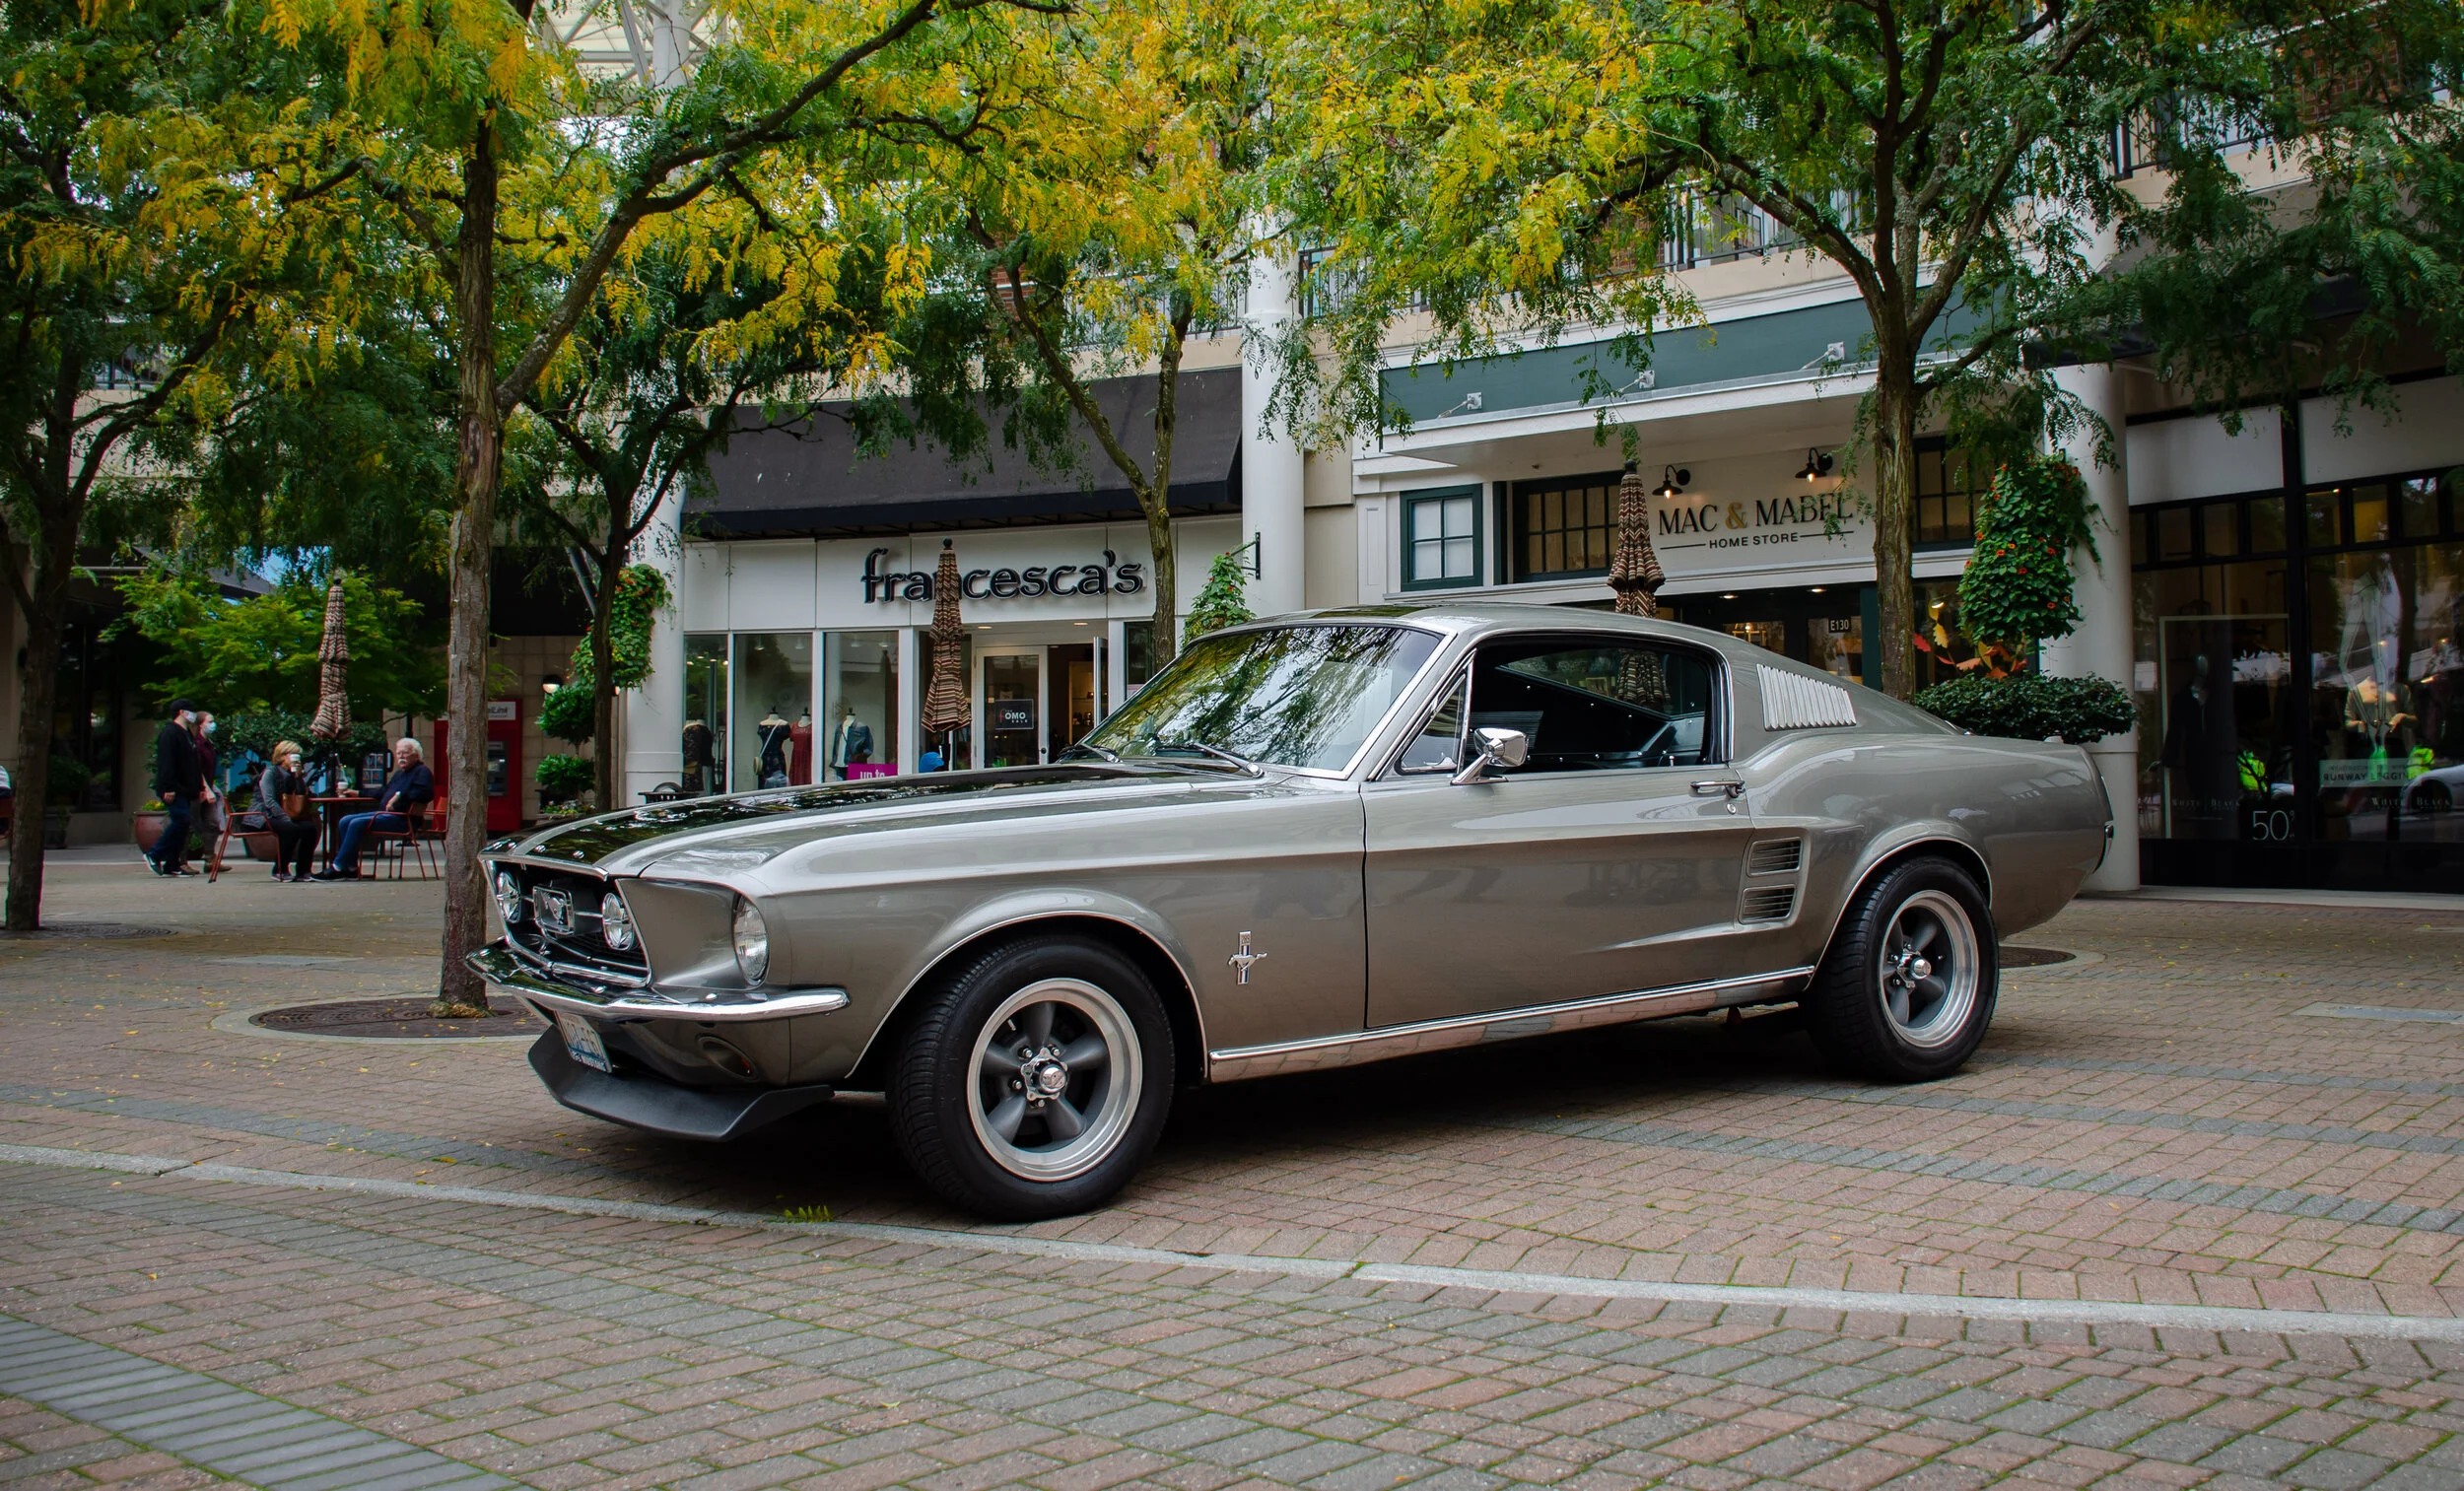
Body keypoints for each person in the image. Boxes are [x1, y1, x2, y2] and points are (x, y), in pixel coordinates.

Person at [312, 737, 433, 881]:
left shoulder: (422, 772)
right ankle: (351, 869)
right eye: (398, 753)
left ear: (416, 755)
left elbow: (425, 793)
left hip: (403, 819)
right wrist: (358, 793)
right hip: (387, 815)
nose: (400, 757)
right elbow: (384, 792)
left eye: (405, 753)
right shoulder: (400, 773)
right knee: (345, 820)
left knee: (356, 823)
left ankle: (337, 867)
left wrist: (400, 795)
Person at [147, 701, 203, 877]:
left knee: (183, 824)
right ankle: (154, 854)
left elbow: (192, 764)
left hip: (185, 788)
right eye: (190, 711)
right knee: (182, 820)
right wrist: (168, 787)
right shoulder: (170, 733)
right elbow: (166, 763)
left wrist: (198, 788)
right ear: (181, 712)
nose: (193, 714)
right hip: (174, 788)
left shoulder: (185, 734)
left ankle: (172, 864)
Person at [256, 741, 316, 882]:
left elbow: (300, 797)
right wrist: (285, 817)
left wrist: (298, 778)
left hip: (287, 814)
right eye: (293, 755)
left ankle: (304, 871)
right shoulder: (270, 772)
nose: (297, 759)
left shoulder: (294, 775)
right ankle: (280, 869)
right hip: (265, 815)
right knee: (290, 829)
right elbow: (269, 801)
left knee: (310, 829)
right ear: (283, 756)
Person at [193, 711, 228, 880]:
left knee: (213, 823)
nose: (213, 724)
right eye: (210, 721)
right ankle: (179, 859)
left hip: (209, 786)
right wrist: (206, 788)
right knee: (190, 824)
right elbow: (197, 769)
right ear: (200, 724)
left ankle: (210, 858)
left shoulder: (208, 744)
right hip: (199, 789)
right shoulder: (197, 744)